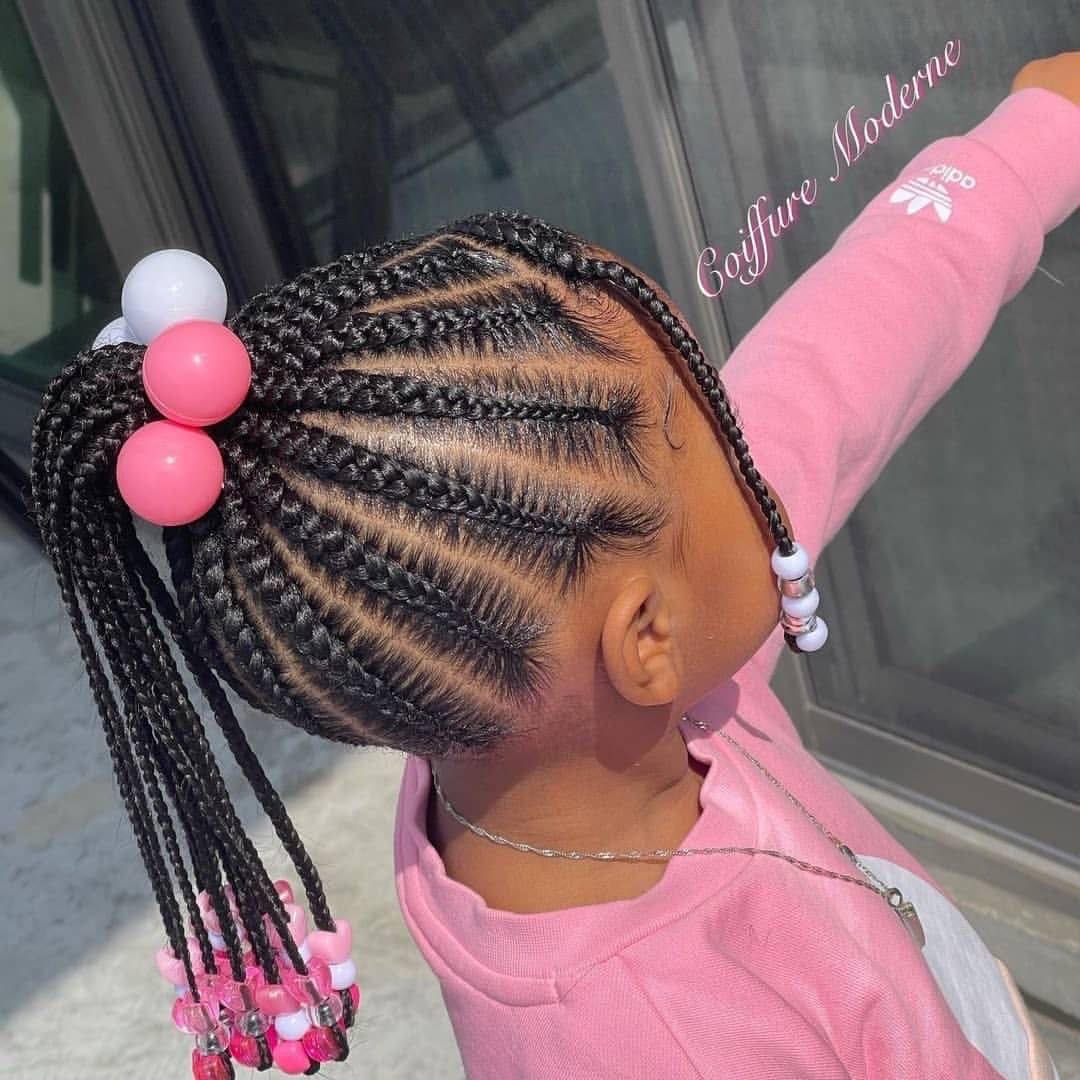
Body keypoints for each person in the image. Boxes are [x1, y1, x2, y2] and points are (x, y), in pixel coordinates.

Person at [32, 51, 1080, 1080]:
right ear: (647, 638)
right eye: (723, 440)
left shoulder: (509, 704)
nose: (755, 452)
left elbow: (830, 364)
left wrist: (1033, 140)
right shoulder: (661, 1043)